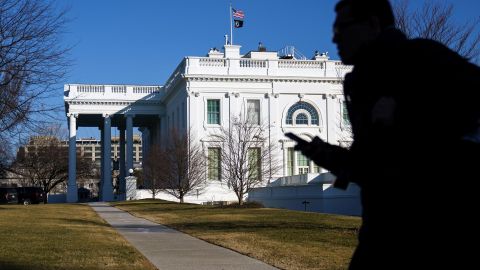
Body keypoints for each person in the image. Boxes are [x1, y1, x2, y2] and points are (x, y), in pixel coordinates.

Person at [290, 0, 480, 268]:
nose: (334, 37)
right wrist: (328, 155)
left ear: (372, 25)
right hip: (381, 230)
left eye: (342, 28)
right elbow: (373, 165)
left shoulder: (422, 56)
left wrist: (407, 113)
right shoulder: (360, 81)